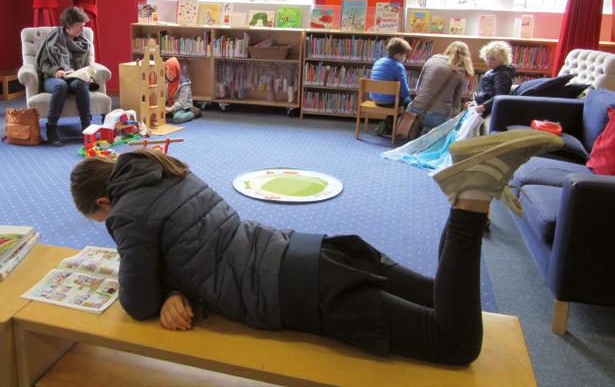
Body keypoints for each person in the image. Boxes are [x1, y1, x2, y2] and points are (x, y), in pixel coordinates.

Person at [69, 129, 562, 365]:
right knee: (437, 296)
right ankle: (468, 187)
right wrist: (179, 289)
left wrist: (161, 291)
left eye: (99, 219)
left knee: (455, 344)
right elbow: (199, 249)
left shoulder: (129, 214)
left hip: (300, 292)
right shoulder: (170, 170)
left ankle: (469, 197)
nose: (105, 226)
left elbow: (135, 304)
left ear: (105, 201)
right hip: (306, 249)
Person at [36, 6, 95, 147]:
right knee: (61, 85)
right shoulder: (54, 38)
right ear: (68, 25)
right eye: (79, 27)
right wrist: (56, 71)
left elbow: (87, 65)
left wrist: (86, 74)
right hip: (53, 78)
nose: (82, 30)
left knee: (82, 84)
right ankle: (52, 128)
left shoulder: (83, 43)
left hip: (74, 78)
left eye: (83, 26)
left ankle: (86, 128)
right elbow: (43, 64)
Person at [408, 42, 474, 133]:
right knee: (457, 125)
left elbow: (418, 86)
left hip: (415, 111)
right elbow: (456, 102)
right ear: (466, 57)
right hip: (438, 117)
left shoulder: (432, 60)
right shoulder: (459, 71)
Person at [369, 37, 412, 135]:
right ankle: (403, 128)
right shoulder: (398, 66)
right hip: (389, 102)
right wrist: (409, 96)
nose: (404, 59)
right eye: (404, 56)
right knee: (408, 101)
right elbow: (404, 91)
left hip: (375, 98)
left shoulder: (378, 62)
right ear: (398, 55)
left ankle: (387, 125)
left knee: (398, 99)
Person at [470, 41, 515, 116]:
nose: (489, 62)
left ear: (502, 59)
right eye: (487, 59)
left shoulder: (502, 74)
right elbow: (486, 92)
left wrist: (484, 106)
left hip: (489, 110)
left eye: (493, 59)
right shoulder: (493, 72)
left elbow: (500, 95)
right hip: (483, 106)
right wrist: (475, 101)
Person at [164, 57, 201, 124]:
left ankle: (193, 113)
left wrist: (170, 109)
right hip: (171, 105)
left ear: (175, 71)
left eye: (170, 74)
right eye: (167, 74)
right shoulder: (167, 82)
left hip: (183, 107)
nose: (168, 76)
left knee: (177, 118)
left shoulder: (184, 84)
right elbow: (165, 97)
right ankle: (172, 112)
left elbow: (181, 102)